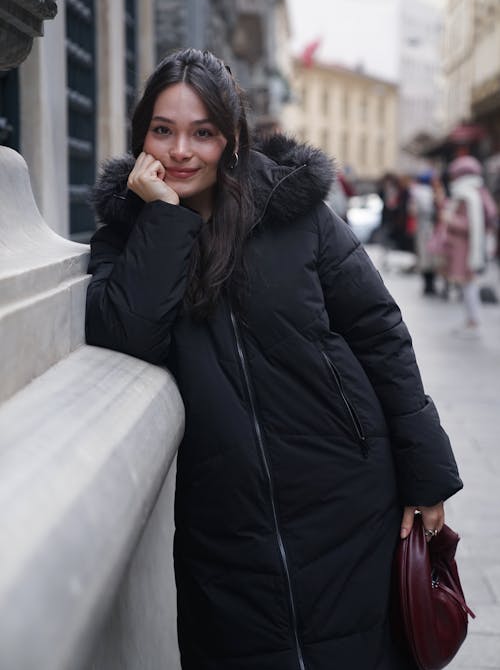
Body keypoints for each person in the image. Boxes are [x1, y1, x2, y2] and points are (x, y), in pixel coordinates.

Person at [85, 48, 463, 670]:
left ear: (231, 138)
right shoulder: (130, 235)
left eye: (202, 132)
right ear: (141, 137)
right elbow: (128, 335)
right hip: (225, 526)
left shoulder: (296, 213)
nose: (181, 150)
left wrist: (426, 470)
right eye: (163, 130)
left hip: (348, 499)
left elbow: (379, 331)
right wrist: (162, 219)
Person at [439, 155, 498, 337]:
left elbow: (469, 224)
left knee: (469, 285)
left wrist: (450, 219)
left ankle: (473, 322)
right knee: (468, 285)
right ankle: (470, 321)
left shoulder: (468, 193)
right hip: (467, 247)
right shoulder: (478, 190)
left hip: (466, 248)